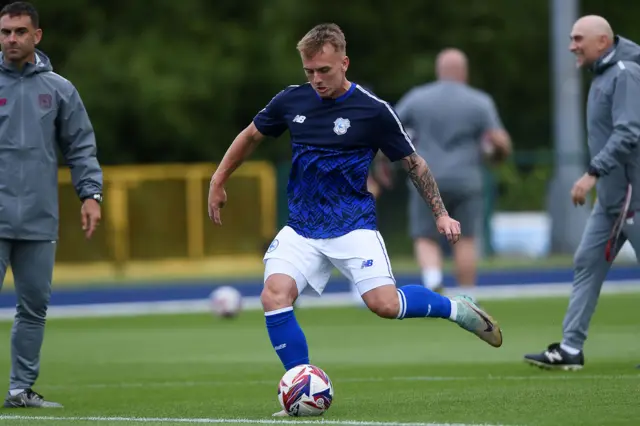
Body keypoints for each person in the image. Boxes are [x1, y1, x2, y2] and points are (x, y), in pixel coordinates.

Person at [208, 23, 503, 416]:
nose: (316, 80)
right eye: (309, 71)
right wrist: (219, 178)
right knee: (274, 296)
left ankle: (456, 309)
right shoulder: (291, 102)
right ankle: (301, 388)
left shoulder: (373, 110)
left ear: (344, 63)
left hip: (352, 226)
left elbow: (414, 164)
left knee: (384, 305)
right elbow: (250, 136)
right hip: (302, 227)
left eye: (324, 71)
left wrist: (442, 213)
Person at [0, 2, 103, 407]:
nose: (11, 39)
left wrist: (90, 195)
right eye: (5, 32)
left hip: (39, 219)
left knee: (34, 308)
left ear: (36, 36)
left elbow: (81, 146)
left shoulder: (59, 89)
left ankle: (20, 390)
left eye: (19, 32)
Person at [524, 15, 640, 370]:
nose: (571, 45)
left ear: (602, 41)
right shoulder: (604, 73)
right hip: (612, 201)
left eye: (578, 39)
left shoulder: (625, 73)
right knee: (586, 263)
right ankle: (571, 349)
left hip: (635, 197)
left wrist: (592, 173)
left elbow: (629, 132)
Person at [392, 48, 511, 294]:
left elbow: (390, 126)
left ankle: (433, 278)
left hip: (426, 178)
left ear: (439, 70)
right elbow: (500, 142)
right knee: (465, 238)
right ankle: (467, 294)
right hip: (467, 180)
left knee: (425, 235)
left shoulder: (417, 98)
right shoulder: (480, 101)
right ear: (464, 71)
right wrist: (494, 152)